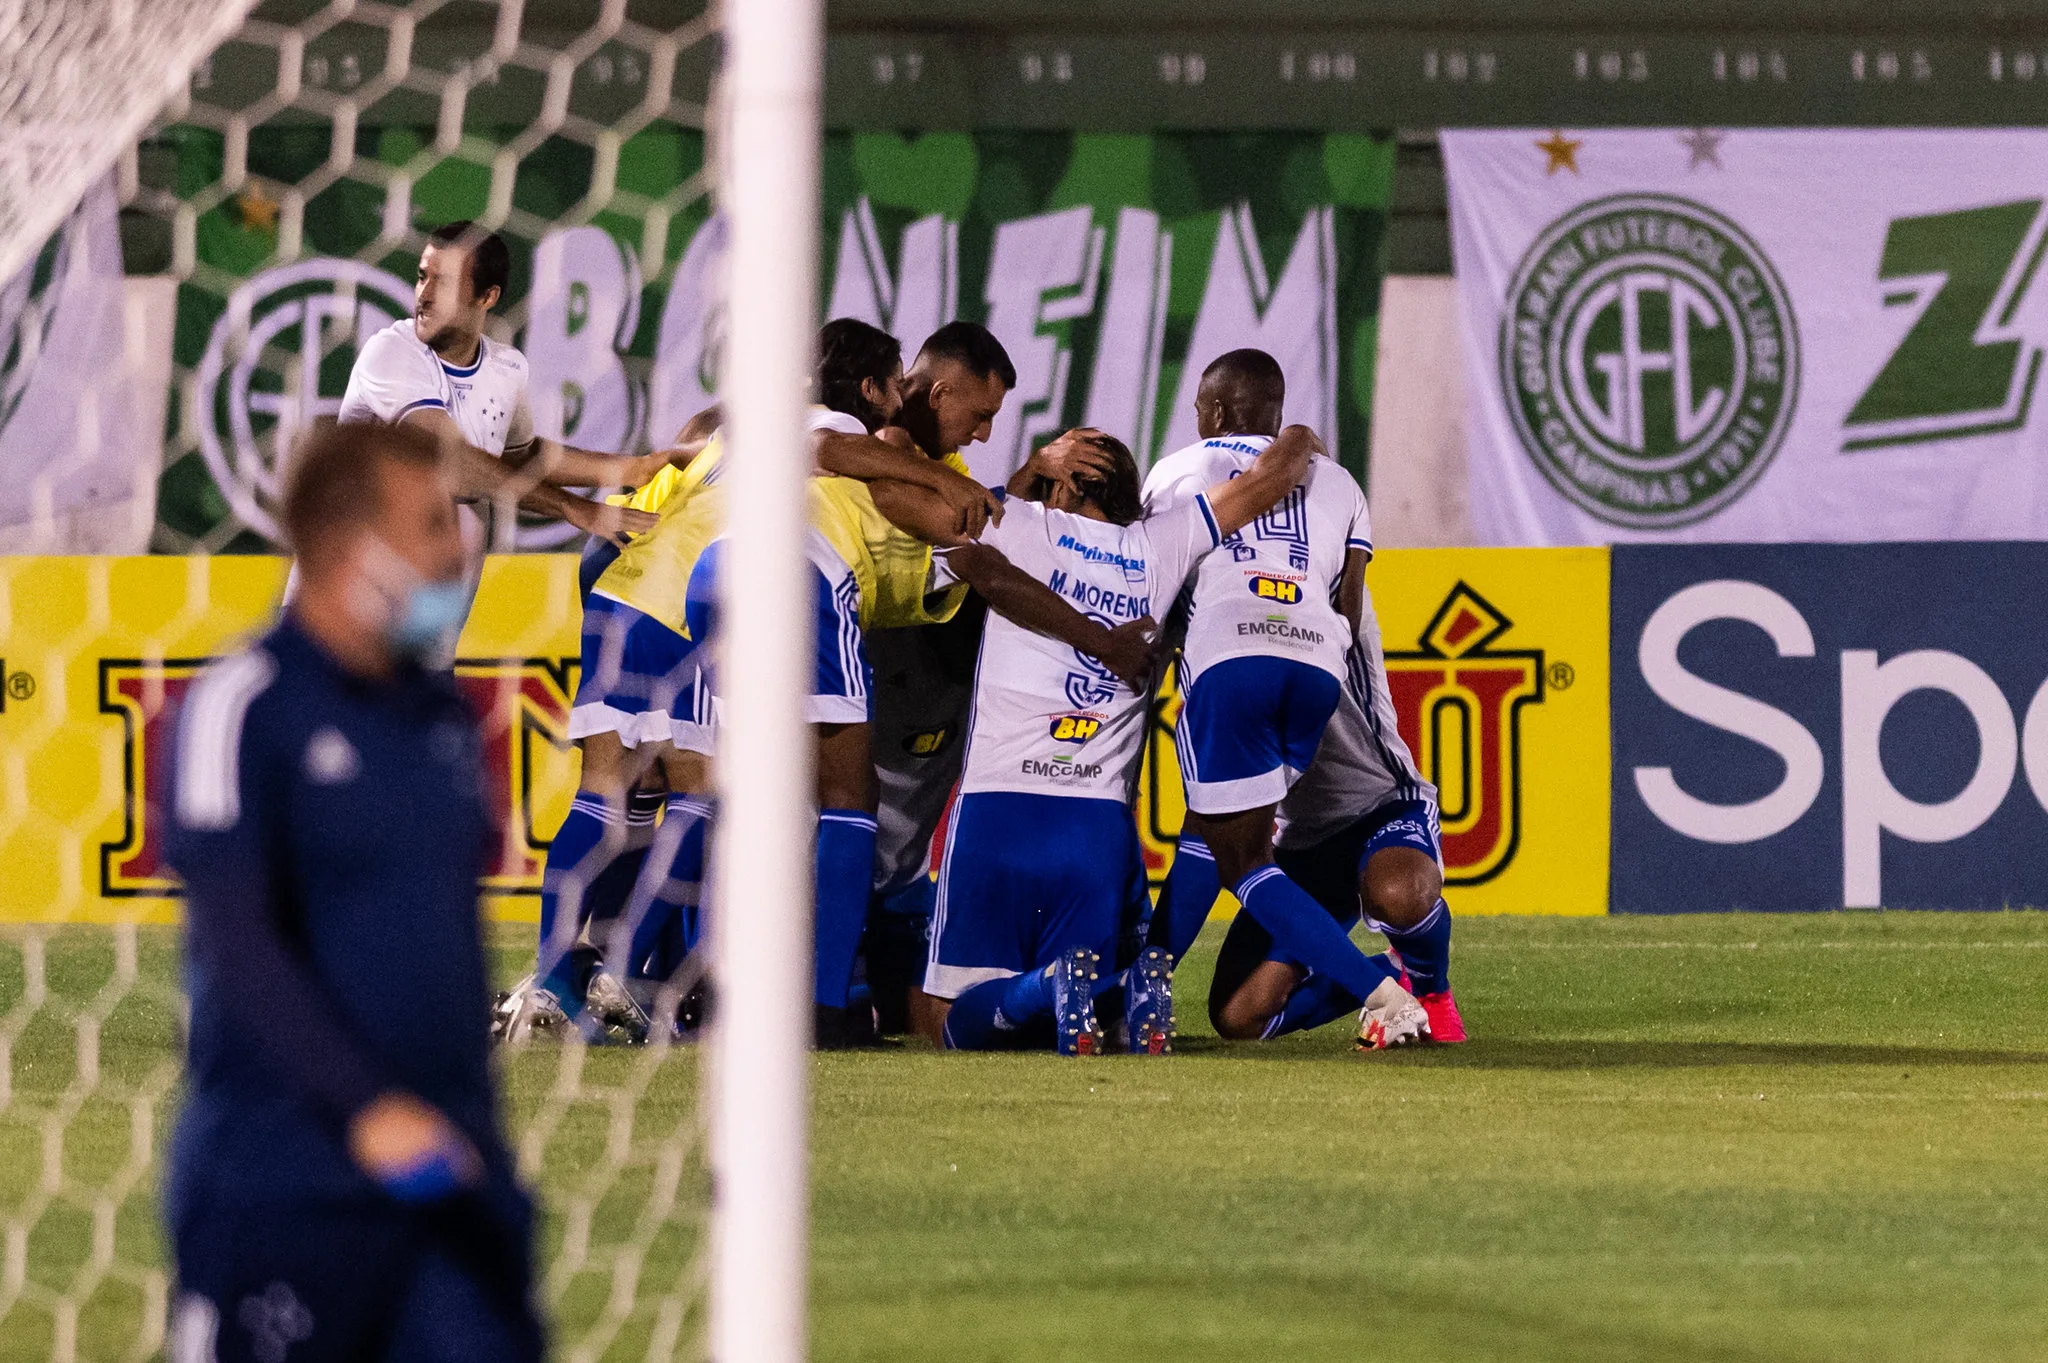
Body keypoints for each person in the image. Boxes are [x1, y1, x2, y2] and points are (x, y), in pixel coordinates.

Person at [165, 421, 541, 1362]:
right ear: (346, 544)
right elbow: (238, 944)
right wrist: (367, 1106)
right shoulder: (242, 706)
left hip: (452, 1184)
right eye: (431, 523)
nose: (460, 546)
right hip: (285, 1183)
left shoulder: (441, 716)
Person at [923, 425, 1320, 1055]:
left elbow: (919, 500)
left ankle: (1046, 988)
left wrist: (1029, 470)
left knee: (946, 1019)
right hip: (1096, 824)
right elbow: (1273, 479)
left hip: (999, 809)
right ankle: (1122, 996)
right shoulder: (1164, 539)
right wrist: (1299, 434)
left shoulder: (1018, 524)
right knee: (1091, 1021)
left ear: (1065, 486)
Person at [1142, 348, 1432, 1050]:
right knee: (1211, 834)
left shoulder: (1177, 469)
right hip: (1314, 670)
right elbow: (1349, 599)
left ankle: (1386, 996)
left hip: (1232, 656)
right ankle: (1143, 988)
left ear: (1211, 413)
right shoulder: (1339, 481)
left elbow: (1153, 575)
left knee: (1240, 858)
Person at [860, 323, 1138, 1038]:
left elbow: (986, 520)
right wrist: (1101, 639)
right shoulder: (885, 447)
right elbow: (979, 540)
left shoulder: (939, 463)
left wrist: (1027, 477)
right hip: (883, 687)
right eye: (980, 415)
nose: (984, 434)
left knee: (919, 1003)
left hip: (950, 719)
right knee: (847, 843)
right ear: (942, 388)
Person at [338, 221, 669, 626]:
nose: (422, 295)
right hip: (348, 601)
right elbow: (453, 465)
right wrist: (573, 507)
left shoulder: (507, 368)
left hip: (435, 608)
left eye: (441, 284)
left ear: (487, 296)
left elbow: (521, 456)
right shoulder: (391, 352)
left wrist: (631, 469)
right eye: (422, 277)